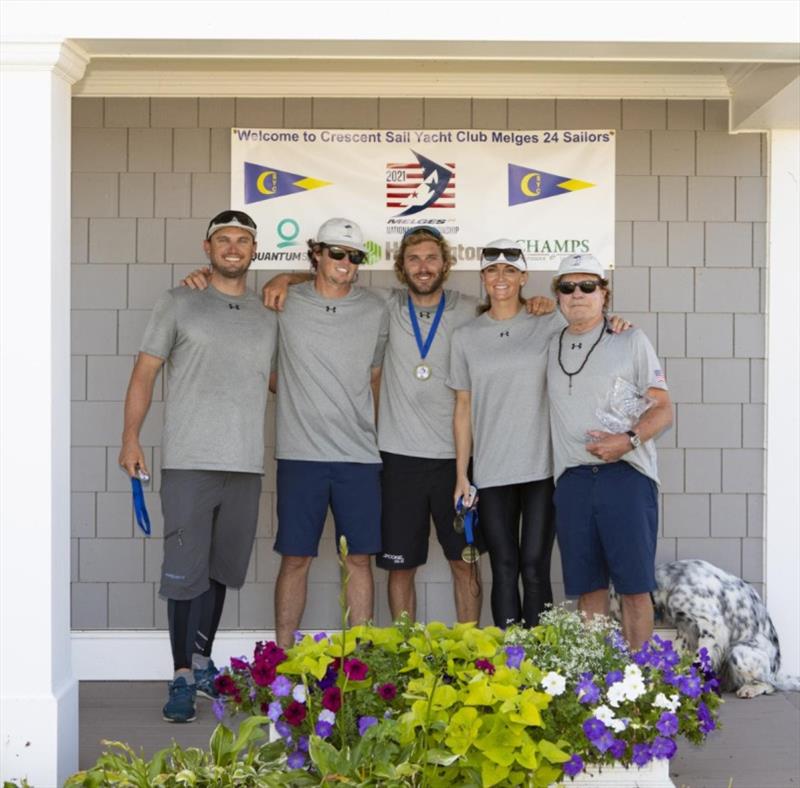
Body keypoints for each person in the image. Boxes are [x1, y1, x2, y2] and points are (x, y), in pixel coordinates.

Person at [261, 227, 556, 624]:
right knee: (401, 566)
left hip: (458, 461)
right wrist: (285, 277)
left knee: (464, 562)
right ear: (401, 266)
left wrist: (535, 301)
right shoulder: (384, 304)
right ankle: (404, 652)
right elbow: (333, 276)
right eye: (414, 258)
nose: (423, 266)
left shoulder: (471, 309)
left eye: (432, 258)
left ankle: (467, 655)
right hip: (397, 458)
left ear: (445, 264)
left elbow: (508, 311)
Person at [119, 210, 277, 723]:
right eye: (224, 240)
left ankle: (205, 664)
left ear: (255, 250)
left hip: (245, 464)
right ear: (207, 249)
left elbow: (277, 380)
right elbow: (145, 373)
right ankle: (182, 675)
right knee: (184, 573)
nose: (234, 248)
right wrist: (130, 438)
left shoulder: (267, 312)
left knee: (220, 571)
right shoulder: (180, 301)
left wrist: (292, 278)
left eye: (243, 240)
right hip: (190, 461)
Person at [271, 218, 389, 649]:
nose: (345, 262)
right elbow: (268, 370)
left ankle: (361, 658)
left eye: (354, 256)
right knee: (296, 557)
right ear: (316, 253)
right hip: (299, 454)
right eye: (336, 252)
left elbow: (374, 377)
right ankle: (282, 657)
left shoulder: (377, 308)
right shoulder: (284, 300)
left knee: (358, 559)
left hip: (358, 456)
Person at [546, 253, 673, 650]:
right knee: (588, 589)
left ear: (604, 293)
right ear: (558, 297)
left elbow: (664, 408)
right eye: (567, 287)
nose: (577, 294)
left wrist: (628, 441)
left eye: (588, 286)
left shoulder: (631, 339)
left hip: (627, 477)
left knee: (634, 588)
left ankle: (640, 683)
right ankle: (599, 684)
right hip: (573, 481)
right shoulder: (549, 343)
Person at [448, 240, 563, 629]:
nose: (501, 278)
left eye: (510, 271)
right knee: (503, 566)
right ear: (483, 278)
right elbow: (462, 409)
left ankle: (539, 663)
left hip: (541, 468)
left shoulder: (549, 322)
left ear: (524, 278)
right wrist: (462, 475)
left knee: (534, 567)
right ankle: (507, 663)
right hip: (492, 470)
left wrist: (619, 324)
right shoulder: (465, 336)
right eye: (492, 271)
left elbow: (590, 327)